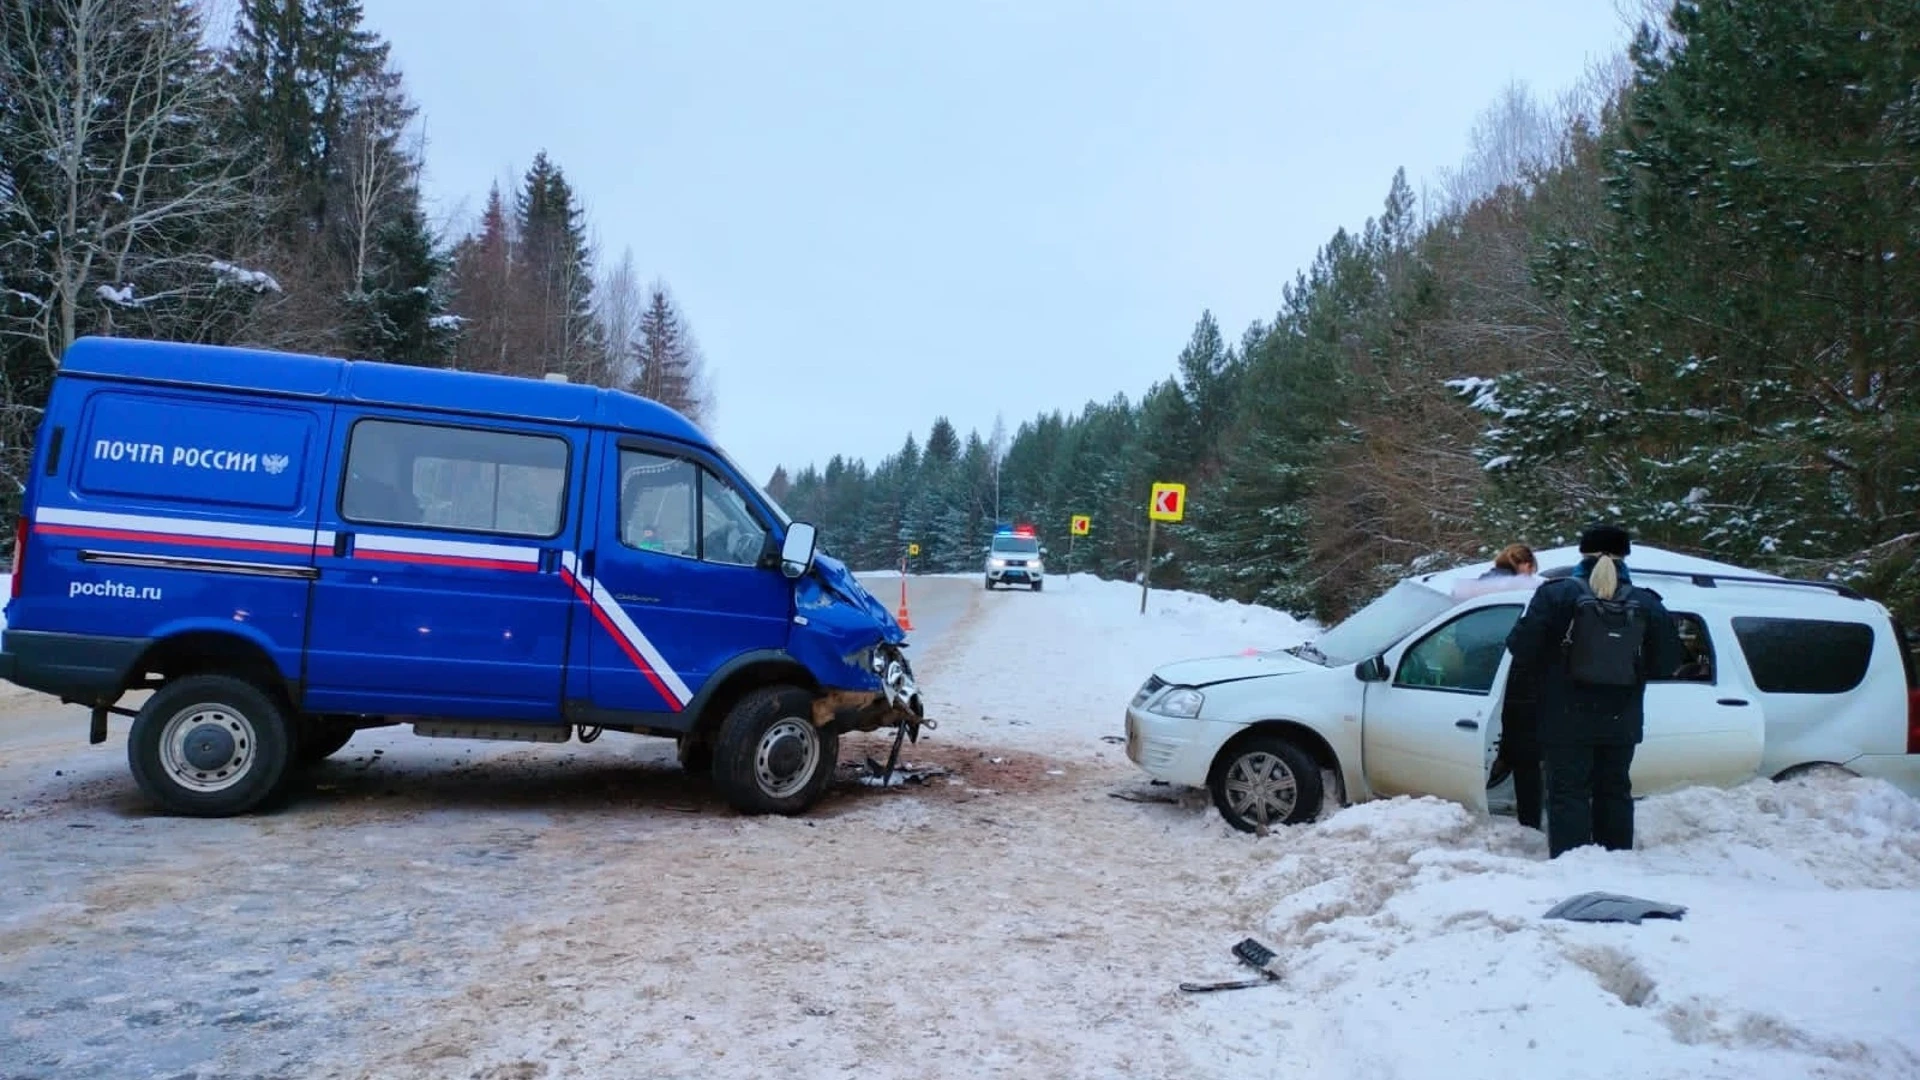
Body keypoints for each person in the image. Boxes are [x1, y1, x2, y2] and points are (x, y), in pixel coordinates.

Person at [1504, 525, 1683, 857]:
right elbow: (1666, 662)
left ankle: (1573, 866)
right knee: (1614, 791)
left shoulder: (1555, 594)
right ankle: (1616, 862)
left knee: (1567, 793)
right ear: (1626, 555)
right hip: (1621, 718)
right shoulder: (1646, 602)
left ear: (1582, 553)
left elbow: (1521, 647)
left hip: (1563, 717)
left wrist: (1553, 666)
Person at [1482, 544, 1545, 831]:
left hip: (1486, 674)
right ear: (1523, 564)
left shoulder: (1483, 584)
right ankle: (1529, 819)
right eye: (1531, 567)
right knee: (1526, 756)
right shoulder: (1521, 591)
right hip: (1514, 680)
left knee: (1514, 747)